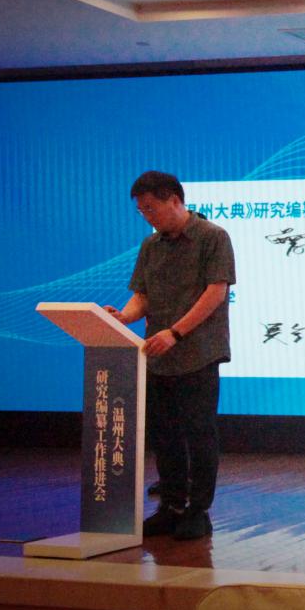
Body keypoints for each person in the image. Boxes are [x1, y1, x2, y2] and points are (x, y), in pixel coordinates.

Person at [105, 170, 235, 542]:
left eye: (151, 208)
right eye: (141, 210)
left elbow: (215, 293)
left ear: (174, 200)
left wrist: (176, 332)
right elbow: (142, 295)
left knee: (199, 433)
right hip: (157, 355)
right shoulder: (151, 245)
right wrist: (124, 317)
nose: (147, 215)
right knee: (165, 436)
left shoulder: (213, 237)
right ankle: (171, 507)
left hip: (198, 353)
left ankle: (197, 511)